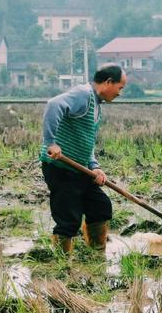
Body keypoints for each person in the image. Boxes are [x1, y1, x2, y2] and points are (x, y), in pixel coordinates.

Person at [40, 64, 127, 255]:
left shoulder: (96, 104)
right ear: (108, 82)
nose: (120, 93)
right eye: (120, 88)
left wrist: (95, 166)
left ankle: (95, 254)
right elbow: (54, 105)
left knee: (100, 206)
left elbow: (86, 143)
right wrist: (50, 143)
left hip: (80, 169)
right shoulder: (83, 94)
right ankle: (63, 265)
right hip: (61, 167)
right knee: (68, 218)